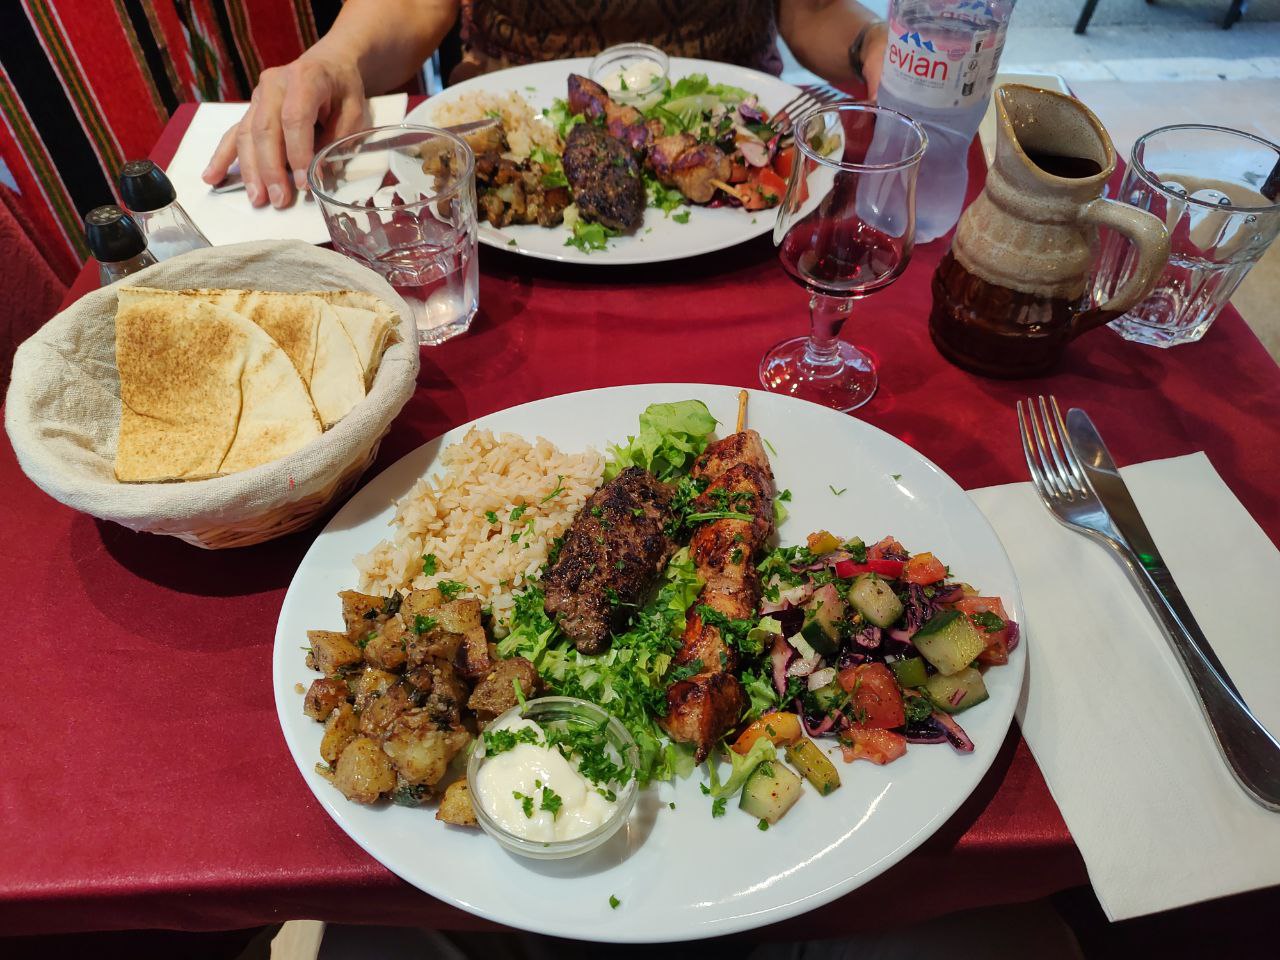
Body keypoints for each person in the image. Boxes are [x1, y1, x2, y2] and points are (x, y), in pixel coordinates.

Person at [202, 0, 887, 210]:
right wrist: (336, 59)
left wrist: (871, 44)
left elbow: (813, 10)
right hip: (504, 152)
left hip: (744, 171)